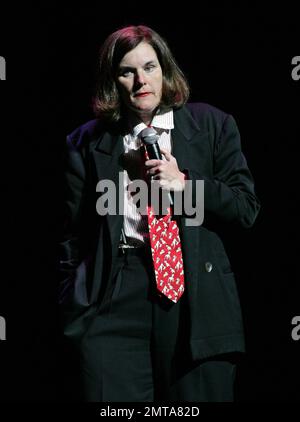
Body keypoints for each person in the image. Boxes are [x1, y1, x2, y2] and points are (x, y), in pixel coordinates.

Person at [58, 25, 260, 402]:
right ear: (112, 80)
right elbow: (73, 236)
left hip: (193, 296)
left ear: (165, 70)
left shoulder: (212, 125)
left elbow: (246, 209)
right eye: (127, 71)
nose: (140, 81)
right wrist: (77, 307)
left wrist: (186, 184)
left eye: (149, 67)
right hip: (117, 291)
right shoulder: (86, 142)